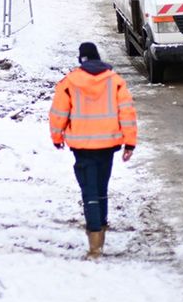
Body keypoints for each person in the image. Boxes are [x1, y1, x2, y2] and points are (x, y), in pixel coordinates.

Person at [49, 42, 138, 260]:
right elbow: (127, 113)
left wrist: (57, 137)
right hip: (108, 144)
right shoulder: (115, 81)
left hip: (81, 146)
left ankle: (95, 243)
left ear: (82, 59)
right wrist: (130, 143)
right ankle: (101, 229)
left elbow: (58, 113)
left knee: (89, 190)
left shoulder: (69, 82)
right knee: (101, 187)